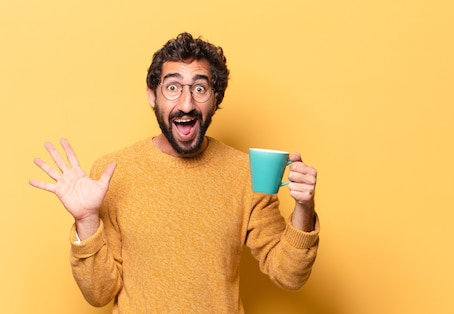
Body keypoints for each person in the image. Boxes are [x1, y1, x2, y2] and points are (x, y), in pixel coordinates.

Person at [29, 32, 319, 313]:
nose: (186, 104)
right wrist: (87, 220)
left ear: (216, 98)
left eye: (200, 88)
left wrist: (304, 209)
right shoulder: (113, 173)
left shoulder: (245, 173)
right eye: (172, 87)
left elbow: (289, 275)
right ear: (152, 96)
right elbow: (100, 293)